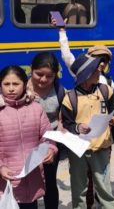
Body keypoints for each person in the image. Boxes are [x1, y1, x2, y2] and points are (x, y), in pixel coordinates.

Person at [61, 54, 114, 209]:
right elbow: (67, 124)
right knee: (79, 189)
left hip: (101, 147)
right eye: (95, 69)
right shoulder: (70, 98)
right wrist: (78, 127)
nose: (99, 71)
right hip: (78, 150)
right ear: (85, 74)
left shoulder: (106, 91)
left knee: (104, 188)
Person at [0, 65, 57, 209]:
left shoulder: (36, 109)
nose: (11, 88)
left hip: (32, 181)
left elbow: (48, 137)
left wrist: (50, 150)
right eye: (6, 84)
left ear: (25, 84)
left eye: (16, 84)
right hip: (5, 184)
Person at [27, 52, 65, 209]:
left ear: (55, 76)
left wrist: (61, 127)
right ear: (31, 70)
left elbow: (61, 116)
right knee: (29, 183)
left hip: (50, 142)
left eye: (49, 76)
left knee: (49, 181)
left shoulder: (59, 89)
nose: (43, 79)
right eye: (39, 74)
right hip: (28, 143)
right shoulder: (20, 87)